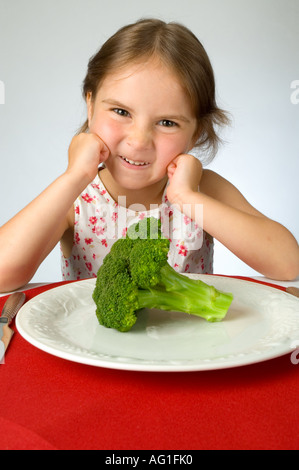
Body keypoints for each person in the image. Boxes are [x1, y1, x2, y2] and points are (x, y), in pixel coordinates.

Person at [0, 18, 298, 292]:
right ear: (90, 106)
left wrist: (187, 198)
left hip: (189, 349)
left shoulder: (203, 190)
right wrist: (74, 177)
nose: (139, 140)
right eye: (120, 111)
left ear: (196, 131)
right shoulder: (75, 198)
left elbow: (287, 263)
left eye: (167, 122)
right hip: (93, 349)